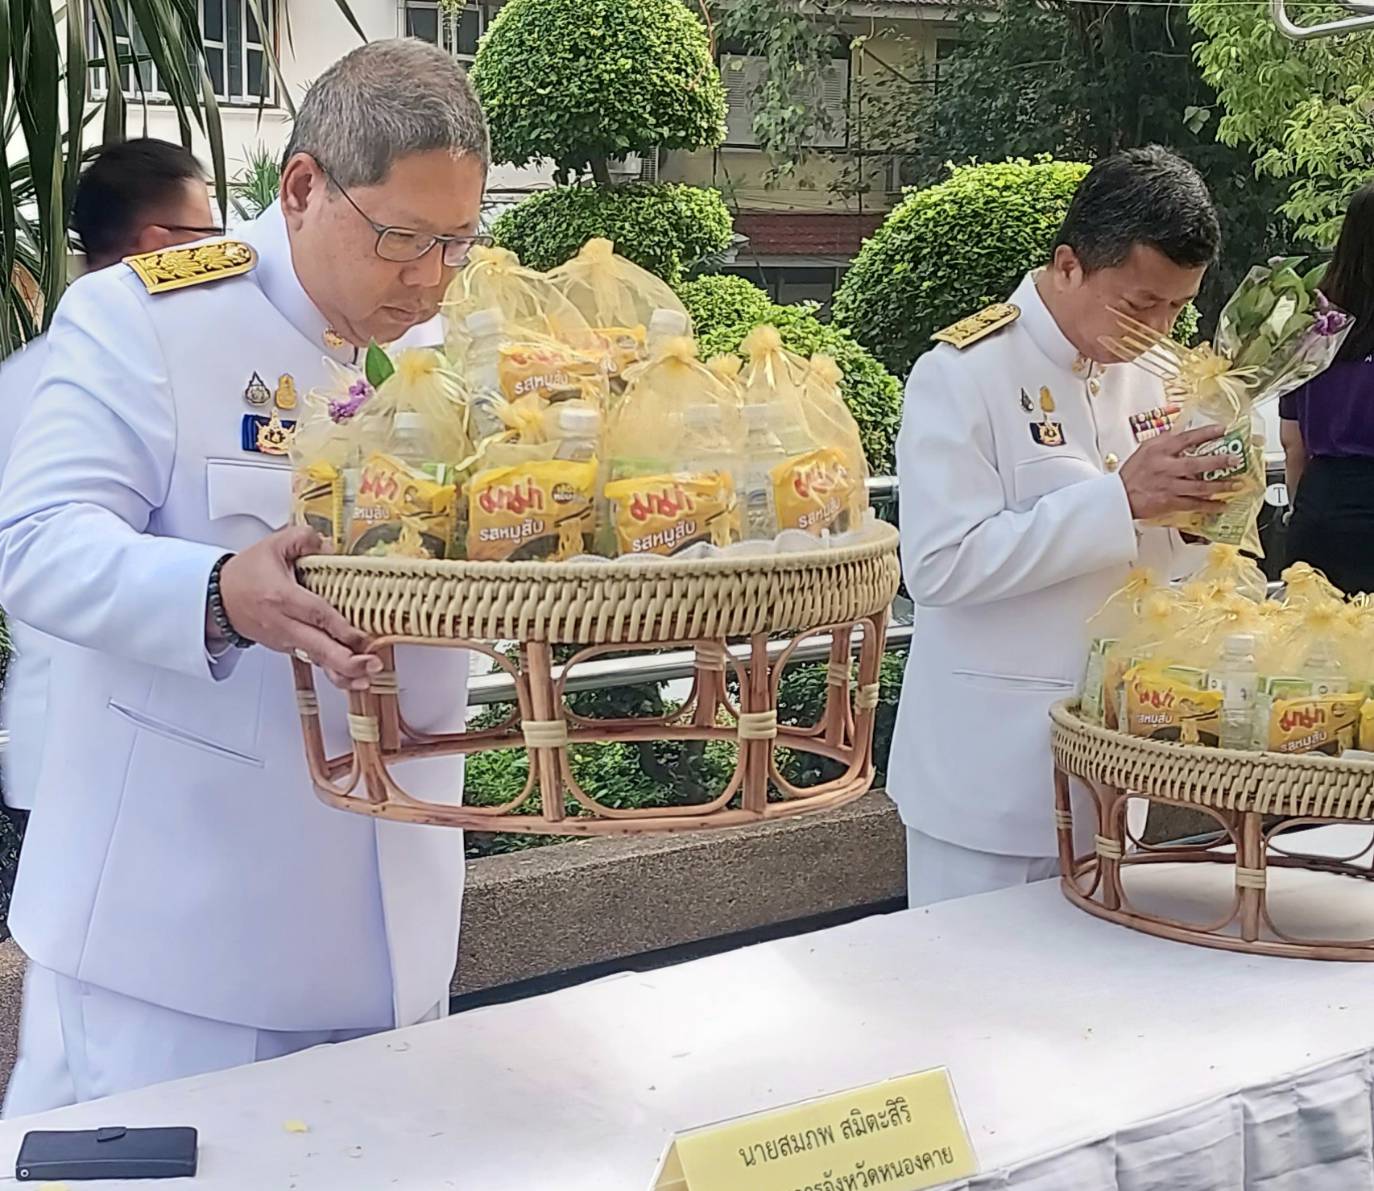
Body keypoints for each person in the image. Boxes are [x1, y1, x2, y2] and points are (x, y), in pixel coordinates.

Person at [0, 38, 488, 1115]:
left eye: (457, 241)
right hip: (181, 954)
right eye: (402, 239)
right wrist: (219, 593)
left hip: (397, 935)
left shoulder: (452, 355)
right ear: (302, 187)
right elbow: (33, 542)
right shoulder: (151, 318)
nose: (430, 277)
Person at [889, 146, 1228, 907]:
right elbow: (939, 566)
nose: (1159, 330)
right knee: (965, 980)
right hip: (987, 786)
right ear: (1069, 266)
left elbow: (1162, 563)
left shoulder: (1157, 378)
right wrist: (1118, 502)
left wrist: (1202, 520)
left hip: (1113, 772)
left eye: (1178, 309)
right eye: (1141, 305)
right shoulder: (963, 373)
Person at [0, 139, 219, 817]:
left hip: (61, 743)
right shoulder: (156, 376)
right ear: (160, 245)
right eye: (210, 236)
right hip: (115, 746)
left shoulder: (18, 377)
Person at [1280, 182, 1374, 596]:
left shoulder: (1313, 324)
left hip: (1317, 508)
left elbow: (1292, 443)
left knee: (1311, 631)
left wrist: (1300, 509)